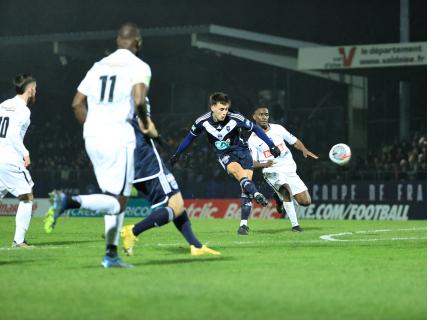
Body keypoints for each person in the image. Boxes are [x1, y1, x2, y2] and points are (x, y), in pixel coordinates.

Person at [45, 22, 152, 268]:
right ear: (138, 42)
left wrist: (92, 128)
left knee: (111, 197)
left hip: (92, 136)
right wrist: (145, 124)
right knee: (119, 201)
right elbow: (138, 100)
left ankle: (111, 254)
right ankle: (68, 202)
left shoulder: (98, 66)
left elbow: (76, 103)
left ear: (117, 41)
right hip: (118, 136)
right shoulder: (139, 66)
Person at [169, 92, 281, 235]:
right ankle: (257, 193)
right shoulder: (201, 122)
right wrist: (177, 154)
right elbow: (188, 139)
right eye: (221, 109)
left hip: (243, 151)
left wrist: (271, 145)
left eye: (226, 109)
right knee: (240, 175)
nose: (224, 112)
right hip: (225, 154)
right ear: (213, 107)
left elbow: (256, 128)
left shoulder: (235, 118)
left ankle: (243, 225)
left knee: (245, 188)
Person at [120, 99, 220, 256]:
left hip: (123, 160)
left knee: (176, 202)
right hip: (145, 160)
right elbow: (146, 126)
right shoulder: (138, 97)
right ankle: (133, 230)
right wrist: (160, 139)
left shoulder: (110, 102)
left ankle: (196, 246)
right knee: (176, 204)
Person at [248, 105, 318, 232]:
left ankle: (278, 197)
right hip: (271, 170)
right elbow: (251, 162)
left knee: (305, 202)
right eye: (261, 115)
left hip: (289, 169)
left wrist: (304, 149)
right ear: (254, 117)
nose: (264, 117)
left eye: (266, 114)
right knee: (286, 190)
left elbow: (294, 141)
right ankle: (295, 226)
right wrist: (264, 165)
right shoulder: (252, 139)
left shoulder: (278, 128)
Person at [0, 74, 37, 247]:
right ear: (29, 90)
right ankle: (19, 240)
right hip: (9, 160)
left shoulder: (4, 105)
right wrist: (25, 153)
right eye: (35, 88)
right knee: (26, 196)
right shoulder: (23, 110)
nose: (35, 91)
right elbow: (14, 134)